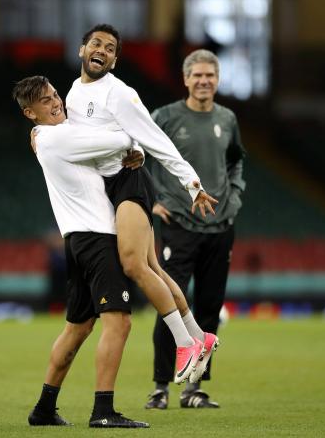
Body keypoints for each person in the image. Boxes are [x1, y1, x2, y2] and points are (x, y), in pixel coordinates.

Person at [66, 24, 220, 386]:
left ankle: (185, 345)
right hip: (103, 188)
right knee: (152, 268)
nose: (102, 49)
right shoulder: (73, 93)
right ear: (82, 50)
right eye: (96, 43)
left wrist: (191, 183)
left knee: (134, 265)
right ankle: (201, 337)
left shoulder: (119, 93)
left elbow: (156, 137)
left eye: (110, 47)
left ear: (115, 60)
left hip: (129, 183)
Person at [13, 75, 148, 428]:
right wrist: (133, 141)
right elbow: (119, 138)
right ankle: (103, 411)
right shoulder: (61, 136)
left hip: (78, 240)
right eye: (45, 101)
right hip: (97, 237)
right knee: (119, 322)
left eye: (55, 94)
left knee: (77, 328)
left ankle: (43, 409)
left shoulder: (46, 137)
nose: (56, 102)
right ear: (30, 113)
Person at [145, 49, 246, 409]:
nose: (204, 81)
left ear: (217, 80)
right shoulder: (166, 117)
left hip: (220, 226)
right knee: (170, 303)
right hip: (179, 224)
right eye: (197, 75)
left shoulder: (228, 118)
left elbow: (235, 163)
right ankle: (160, 388)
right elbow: (136, 154)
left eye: (210, 76)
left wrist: (234, 197)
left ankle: (194, 389)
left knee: (209, 307)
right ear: (186, 79)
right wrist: (152, 200)